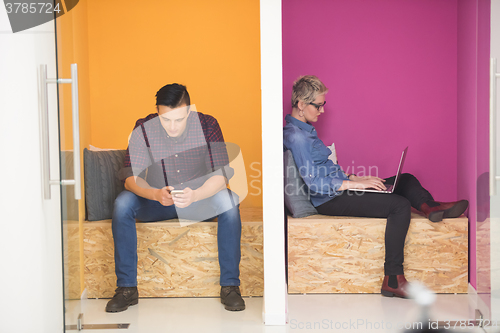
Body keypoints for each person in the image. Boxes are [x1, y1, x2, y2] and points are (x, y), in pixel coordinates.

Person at [283, 75, 468, 298]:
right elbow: (314, 182)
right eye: (318, 106)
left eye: (324, 105)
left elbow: (324, 169)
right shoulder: (297, 137)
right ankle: (393, 279)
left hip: (340, 188)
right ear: (301, 105)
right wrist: (351, 184)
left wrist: (356, 179)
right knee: (399, 205)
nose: (322, 111)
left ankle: (431, 208)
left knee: (405, 180)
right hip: (329, 199)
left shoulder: (305, 132)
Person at [106, 83, 245, 312]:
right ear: (157, 112)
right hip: (158, 201)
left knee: (229, 201)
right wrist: (155, 193)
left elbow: (221, 176)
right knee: (122, 204)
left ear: (189, 111)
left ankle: (230, 286)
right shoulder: (143, 127)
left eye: (178, 120)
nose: (171, 126)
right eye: (165, 119)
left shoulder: (208, 124)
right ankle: (126, 289)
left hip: (199, 202)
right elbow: (130, 178)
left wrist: (197, 194)